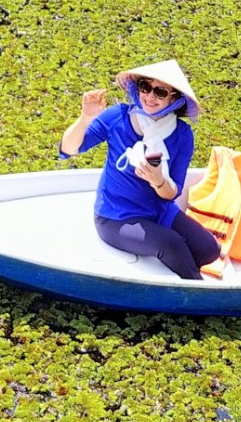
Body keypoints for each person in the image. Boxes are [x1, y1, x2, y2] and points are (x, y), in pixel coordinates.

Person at [60, 59, 219, 280]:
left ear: (174, 99)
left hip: (158, 212)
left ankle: (173, 270)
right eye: (146, 87)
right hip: (115, 217)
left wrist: (157, 180)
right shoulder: (118, 116)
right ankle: (200, 295)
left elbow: (172, 193)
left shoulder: (182, 134)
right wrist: (85, 118)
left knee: (209, 250)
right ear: (138, 88)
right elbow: (69, 149)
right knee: (171, 245)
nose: (150, 97)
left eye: (160, 92)